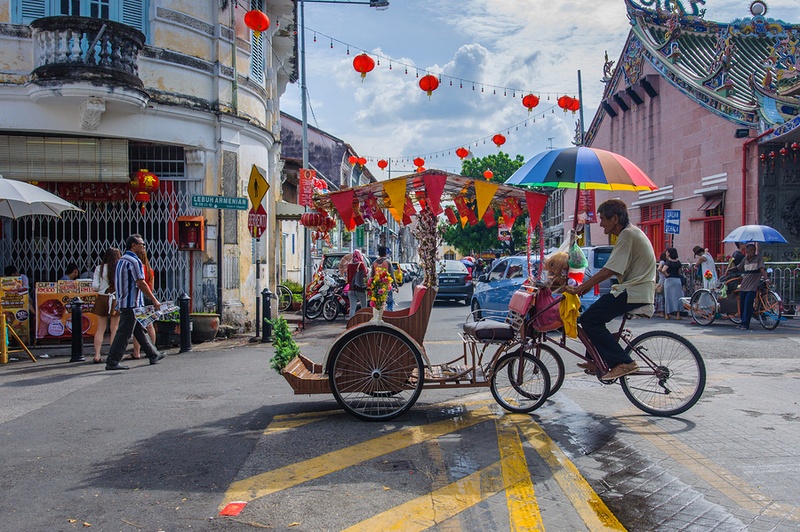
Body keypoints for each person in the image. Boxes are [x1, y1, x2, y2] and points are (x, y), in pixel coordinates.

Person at [565, 199, 656, 379]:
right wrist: (584, 287)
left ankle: (624, 362)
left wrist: (580, 288)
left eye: (603, 219)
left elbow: (610, 270)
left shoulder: (627, 235)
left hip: (633, 291)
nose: (600, 223)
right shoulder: (630, 233)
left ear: (615, 218)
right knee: (592, 316)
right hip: (633, 289)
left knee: (590, 320)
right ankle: (595, 359)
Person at [104, 234, 164, 370]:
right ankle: (112, 361)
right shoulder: (133, 261)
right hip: (132, 303)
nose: (143, 247)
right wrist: (154, 300)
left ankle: (153, 354)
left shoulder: (122, 260)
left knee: (138, 330)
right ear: (133, 245)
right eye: (141, 244)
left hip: (125, 301)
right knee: (124, 333)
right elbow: (141, 283)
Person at [91, 248, 122, 364]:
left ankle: (97, 355)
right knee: (114, 328)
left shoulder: (100, 268)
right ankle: (112, 354)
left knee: (101, 328)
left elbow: (95, 285)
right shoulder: (119, 268)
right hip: (115, 298)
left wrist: (103, 288)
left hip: (102, 297)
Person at [130, 246, 157, 359]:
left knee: (139, 325)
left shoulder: (136, 268)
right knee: (149, 325)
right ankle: (152, 349)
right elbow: (152, 286)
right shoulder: (150, 270)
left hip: (139, 297)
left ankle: (137, 352)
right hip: (148, 297)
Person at [737, 242, 769, 331]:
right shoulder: (745, 259)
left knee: (748, 304)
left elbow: (762, 269)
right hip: (744, 285)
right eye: (750, 250)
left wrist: (766, 279)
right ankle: (742, 321)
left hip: (752, 286)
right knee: (742, 304)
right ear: (746, 251)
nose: (752, 252)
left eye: (754, 250)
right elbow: (739, 267)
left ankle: (745, 324)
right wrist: (729, 269)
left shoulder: (758, 258)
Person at [660, 247, 683, 320]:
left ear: (669, 253)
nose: (666, 253)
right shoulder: (678, 262)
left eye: (667, 252)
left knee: (668, 297)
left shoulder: (668, 262)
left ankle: (667, 314)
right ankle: (678, 315)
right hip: (677, 280)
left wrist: (666, 274)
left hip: (669, 281)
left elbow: (663, 270)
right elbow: (679, 272)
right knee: (678, 297)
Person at [371, 245, 395, 311]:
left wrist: (370, 286)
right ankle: (389, 315)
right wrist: (396, 286)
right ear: (385, 253)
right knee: (389, 302)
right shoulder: (387, 262)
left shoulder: (374, 263)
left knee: (379, 303)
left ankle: (380, 316)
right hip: (387, 285)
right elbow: (392, 275)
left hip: (377, 285)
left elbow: (372, 276)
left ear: (378, 253)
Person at [346, 250, 368, 319]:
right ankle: (363, 321)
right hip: (360, 289)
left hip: (351, 289)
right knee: (364, 307)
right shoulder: (361, 264)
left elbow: (348, 279)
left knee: (352, 308)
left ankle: (351, 322)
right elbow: (365, 275)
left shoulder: (349, 265)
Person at [654, 252, 667, 317]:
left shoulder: (662, 262)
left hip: (662, 279)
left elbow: (659, 269)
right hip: (665, 279)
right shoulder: (664, 262)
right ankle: (663, 311)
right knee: (663, 295)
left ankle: (661, 311)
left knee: (660, 296)